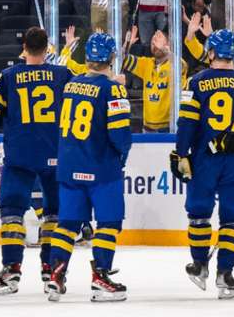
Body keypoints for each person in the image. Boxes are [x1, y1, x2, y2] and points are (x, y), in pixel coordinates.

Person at [171, 29, 234, 299]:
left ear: (212, 52)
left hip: (204, 159)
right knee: (233, 219)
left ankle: (199, 263)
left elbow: (187, 123)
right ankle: (225, 273)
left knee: (199, 213)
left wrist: (180, 154)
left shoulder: (195, 82)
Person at [0, 27, 73, 295]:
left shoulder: (8, 76)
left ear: (24, 47)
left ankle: (11, 270)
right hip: (55, 153)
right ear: (48, 48)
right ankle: (50, 269)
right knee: (54, 212)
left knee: (11, 211)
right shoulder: (63, 75)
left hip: (19, 155)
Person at [46, 33, 132, 302]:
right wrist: (122, 156)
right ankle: (101, 276)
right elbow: (120, 134)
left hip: (70, 165)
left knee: (67, 224)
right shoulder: (113, 89)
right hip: (101, 166)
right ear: (110, 58)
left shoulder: (71, 85)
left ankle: (56, 274)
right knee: (108, 223)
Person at [123, 26, 188, 132]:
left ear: (168, 45)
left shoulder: (175, 64)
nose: (155, 43)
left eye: (158, 40)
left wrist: (165, 50)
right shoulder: (146, 63)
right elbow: (122, 61)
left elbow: (181, 65)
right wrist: (127, 45)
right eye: (153, 41)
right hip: (147, 128)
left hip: (170, 127)